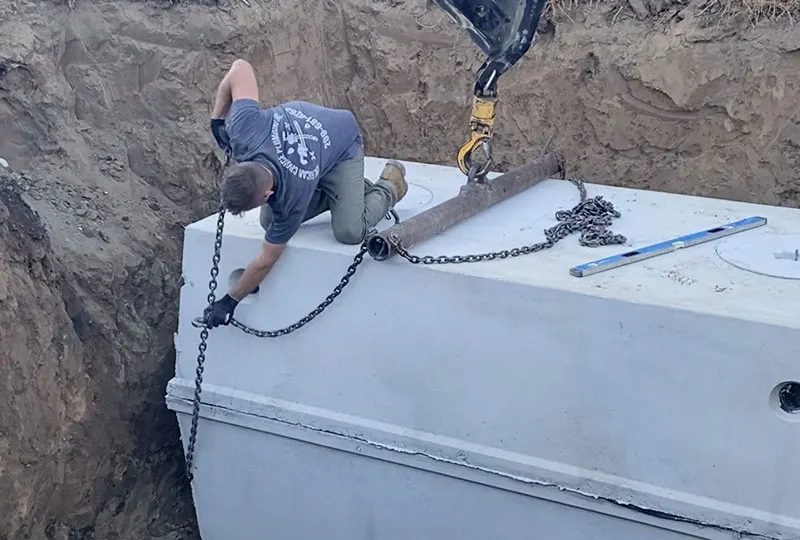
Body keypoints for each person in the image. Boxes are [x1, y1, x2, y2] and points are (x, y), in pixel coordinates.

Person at [201, 59, 408, 328]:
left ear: (268, 194)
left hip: (343, 141)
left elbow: (266, 260)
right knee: (268, 223)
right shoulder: (242, 128)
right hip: (306, 127)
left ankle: (389, 186)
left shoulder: (292, 198)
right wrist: (217, 119)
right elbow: (240, 68)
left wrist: (230, 301)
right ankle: (351, 194)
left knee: (349, 231)